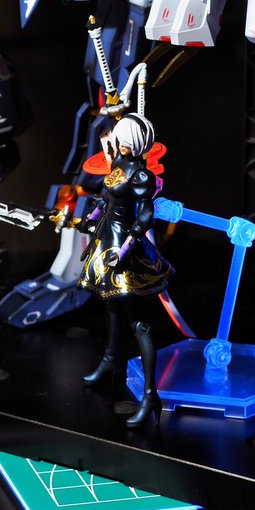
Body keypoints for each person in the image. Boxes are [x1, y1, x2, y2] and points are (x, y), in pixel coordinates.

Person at [53, 113, 172, 426]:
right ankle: (110, 360)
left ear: (131, 142)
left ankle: (150, 395)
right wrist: (85, 220)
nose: (116, 143)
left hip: (124, 249)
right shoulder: (118, 163)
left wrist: (125, 249)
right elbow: (106, 201)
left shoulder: (141, 177)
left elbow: (145, 217)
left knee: (138, 322)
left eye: (121, 138)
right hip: (106, 240)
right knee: (110, 306)